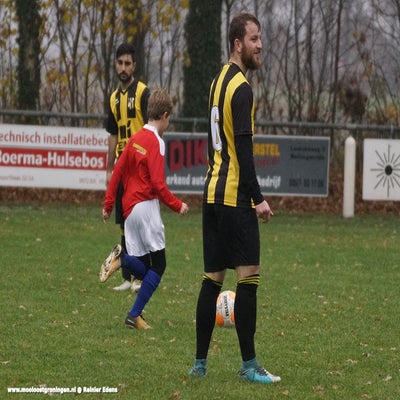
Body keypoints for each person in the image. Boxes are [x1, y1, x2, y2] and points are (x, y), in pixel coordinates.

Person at [188, 13, 281, 384]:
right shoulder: (242, 88)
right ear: (238, 44)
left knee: (212, 278)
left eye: (260, 38)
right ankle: (249, 365)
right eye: (254, 39)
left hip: (211, 193)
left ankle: (199, 364)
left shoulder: (216, 82)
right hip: (234, 197)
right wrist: (258, 198)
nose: (260, 45)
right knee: (249, 277)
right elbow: (243, 147)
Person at [100, 88, 189, 330]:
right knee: (159, 266)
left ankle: (124, 266)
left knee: (147, 268)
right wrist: (178, 205)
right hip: (146, 208)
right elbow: (158, 185)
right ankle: (133, 311)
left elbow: (117, 173)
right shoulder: (156, 142)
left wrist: (108, 205)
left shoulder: (134, 139)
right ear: (165, 115)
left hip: (129, 211)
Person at [106, 42, 150, 292]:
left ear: (134, 66)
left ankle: (141, 277)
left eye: (127, 64)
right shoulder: (113, 98)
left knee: (139, 224)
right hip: (122, 169)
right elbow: (113, 134)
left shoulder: (143, 92)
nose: (123, 68)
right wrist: (109, 169)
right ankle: (127, 277)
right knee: (124, 224)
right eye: (120, 63)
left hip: (140, 168)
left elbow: (153, 128)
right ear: (116, 64)